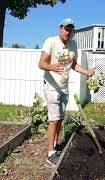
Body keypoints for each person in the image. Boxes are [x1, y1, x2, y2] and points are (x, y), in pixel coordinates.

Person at [38, 18, 95, 166]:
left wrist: (87, 72)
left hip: (64, 86)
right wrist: (53, 67)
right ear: (60, 28)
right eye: (65, 29)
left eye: (70, 30)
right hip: (51, 86)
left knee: (60, 118)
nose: (68, 32)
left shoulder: (72, 45)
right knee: (54, 119)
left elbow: (73, 64)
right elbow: (41, 63)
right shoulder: (50, 42)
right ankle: (50, 154)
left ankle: (56, 143)